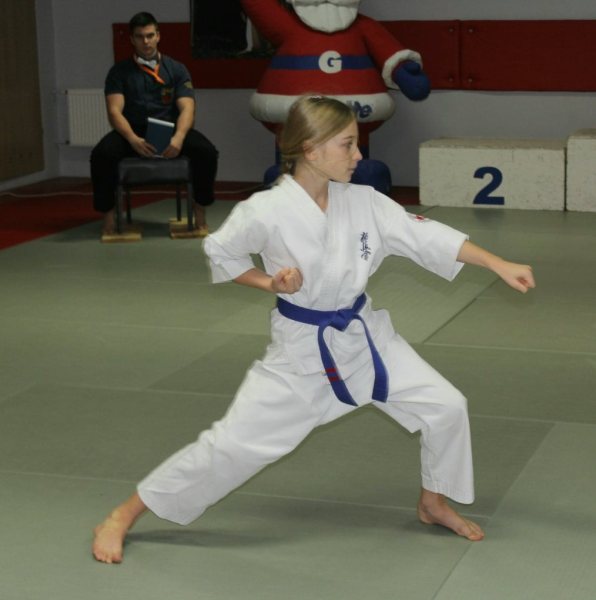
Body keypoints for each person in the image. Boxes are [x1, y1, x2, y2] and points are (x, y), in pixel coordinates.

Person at [92, 95, 535, 564]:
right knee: (233, 447)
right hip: (302, 354)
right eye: (347, 145)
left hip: (366, 338)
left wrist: (497, 263)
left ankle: (434, 501)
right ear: (311, 149)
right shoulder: (266, 209)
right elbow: (222, 253)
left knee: (446, 406)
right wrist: (270, 283)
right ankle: (123, 515)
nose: (358, 155)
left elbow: (427, 235)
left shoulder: (364, 201)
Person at [90, 11, 218, 236]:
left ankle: (199, 213)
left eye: (150, 35)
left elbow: (187, 108)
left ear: (158, 36)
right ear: (132, 39)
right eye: (140, 37)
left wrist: (179, 138)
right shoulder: (119, 72)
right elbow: (114, 111)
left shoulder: (176, 69)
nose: (146, 42)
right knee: (101, 155)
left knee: (206, 152)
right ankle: (109, 218)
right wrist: (132, 139)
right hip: (132, 132)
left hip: (169, 130)